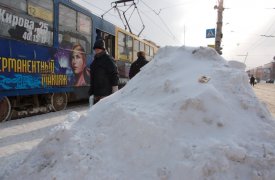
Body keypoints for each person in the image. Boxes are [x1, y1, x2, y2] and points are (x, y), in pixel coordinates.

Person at [89, 39, 119, 104]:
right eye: (95, 49)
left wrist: (115, 91)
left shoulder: (108, 59)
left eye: (98, 49)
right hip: (96, 94)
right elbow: (92, 77)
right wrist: (91, 91)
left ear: (102, 49)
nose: (96, 50)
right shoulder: (95, 61)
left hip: (105, 94)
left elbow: (114, 74)